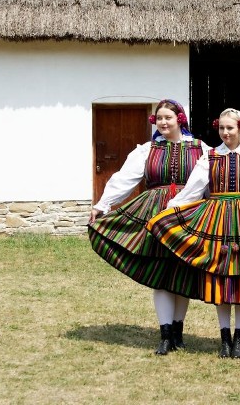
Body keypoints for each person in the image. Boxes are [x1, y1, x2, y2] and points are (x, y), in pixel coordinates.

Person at [147, 108, 240, 359]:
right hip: (218, 219)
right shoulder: (209, 157)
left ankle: (239, 339)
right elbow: (192, 191)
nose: (225, 132)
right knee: (222, 278)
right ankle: (224, 339)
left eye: (230, 128)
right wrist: (167, 211)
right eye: (221, 128)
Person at [88, 99, 210, 355]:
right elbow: (124, 179)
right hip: (155, 213)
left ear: (180, 119)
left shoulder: (201, 149)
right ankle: (165, 334)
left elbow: (210, 182)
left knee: (182, 272)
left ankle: (178, 332)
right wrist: (102, 204)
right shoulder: (147, 150)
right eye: (159, 118)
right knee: (161, 275)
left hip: (187, 213)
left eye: (168, 117)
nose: (163, 122)